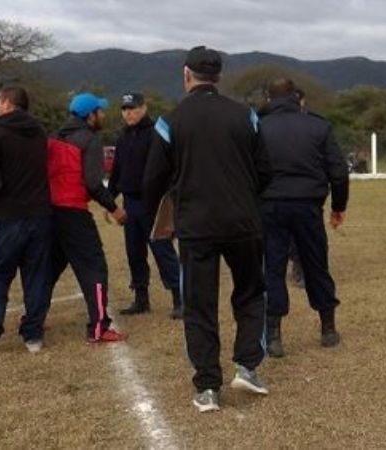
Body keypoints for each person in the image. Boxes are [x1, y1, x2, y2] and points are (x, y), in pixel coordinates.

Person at [143, 46, 272, 412]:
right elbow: (265, 169)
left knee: (199, 304)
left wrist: (164, 209)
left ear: (187, 74)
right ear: (218, 76)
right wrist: (245, 196)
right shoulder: (245, 115)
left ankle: (208, 387)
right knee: (251, 292)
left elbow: (152, 179)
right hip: (243, 221)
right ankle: (247, 366)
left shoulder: (170, 120)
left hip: (196, 226)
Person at [258, 78, 348, 358]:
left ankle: (274, 334)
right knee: (316, 264)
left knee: (273, 267)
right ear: (297, 97)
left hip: (270, 205)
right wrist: (338, 205)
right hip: (309, 205)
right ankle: (328, 327)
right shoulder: (318, 126)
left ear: (268, 98)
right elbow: (338, 171)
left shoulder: (258, 127)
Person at [0, 86, 53, 353]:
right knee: (36, 275)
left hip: (4, 215)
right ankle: (33, 335)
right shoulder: (40, 132)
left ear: (6, 103)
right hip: (39, 214)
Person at [49, 92, 128, 343]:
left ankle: (32, 317)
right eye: (100, 111)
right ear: (90, 115)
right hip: (74, 212)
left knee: (48, 268)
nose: (103, 115)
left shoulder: (56, 136)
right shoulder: (91, 139)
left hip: (51, 212)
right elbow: (93, 183)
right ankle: (99, 327)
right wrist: (114, 208)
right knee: (94, 267)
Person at [108, 92, 181, 319]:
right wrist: (109, 200)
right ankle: (141, 297)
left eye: (132, 108)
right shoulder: (123, 137)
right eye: (125, 109)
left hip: (153, 202)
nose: (128, 113)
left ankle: (179, 297)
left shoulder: (156, 134)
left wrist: (167, 200)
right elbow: (117, 171)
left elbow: (167, 169)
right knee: (134, 252)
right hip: (130, 202)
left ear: (143, 108)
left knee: (162, 249)